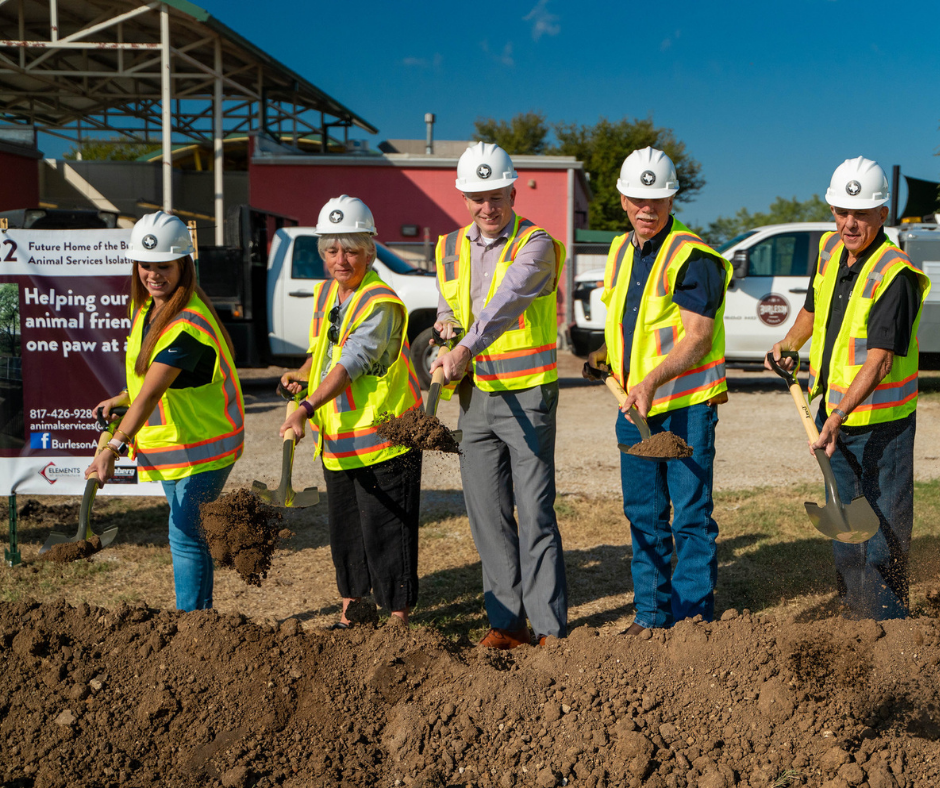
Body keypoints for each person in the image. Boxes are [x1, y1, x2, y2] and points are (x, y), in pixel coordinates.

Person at [767, 157, 929, 621]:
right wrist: (788, 344)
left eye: (860, 213)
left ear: (883, 214)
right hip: (834, 417)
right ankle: (854, 615)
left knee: (883, 532)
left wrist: (835, 417)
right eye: (840, 210)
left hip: (883, 426)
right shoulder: (829, 249)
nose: (849, 222)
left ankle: (888, 626)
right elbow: (814, 309)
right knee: (844, 529)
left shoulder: (895, 276)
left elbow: (879, 362)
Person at [585, 147, 731, 633]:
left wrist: (649, 380)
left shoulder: (695, 257)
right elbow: (629, 321)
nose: (647, 208)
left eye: (658, 199)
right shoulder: (618, 248)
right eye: (638, 199)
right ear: (623, 199)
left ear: (672, 200)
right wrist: (607, 357)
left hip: (685, 407)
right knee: (644, 517)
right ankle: (649, 619)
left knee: (690, 518)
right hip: (634, 409)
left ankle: (691, 626)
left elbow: (698, 338)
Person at [432, 141, 567, 648]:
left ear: (514, 189)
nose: (488, 207)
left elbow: (506, 303)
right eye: (476, 197)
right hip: (475, 400)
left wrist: (465, 346)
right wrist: (447, 327)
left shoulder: (537, 244)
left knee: (534, 514)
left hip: (528, 395)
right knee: (488, 515)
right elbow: (452, 305)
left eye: (496, 196)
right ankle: (507, 625)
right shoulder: (446, 247)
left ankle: (550, 629)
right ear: (464, 197)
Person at [87, 211, 244, 611]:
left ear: (183, 266)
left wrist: (112, 446)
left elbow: (152, 393)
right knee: (188, 532)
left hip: (206, 447)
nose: (153, 274)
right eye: (145, 264)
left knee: (185, 534)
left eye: (164, 266)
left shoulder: (187, 324)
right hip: (178, 444)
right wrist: (122, 397)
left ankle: (192, 623)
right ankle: (197, 622)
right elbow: (149, 382)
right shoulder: (148, 311)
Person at [280, 196, 422, 628]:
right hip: (341, 441)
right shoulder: (329, 293)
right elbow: (325, 354)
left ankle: (396, 621)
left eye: (351, 250)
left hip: (386, 439)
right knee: (346, 531)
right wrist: (302, 374)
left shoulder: (379, 301)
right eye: (331, 250)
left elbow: (351, 363)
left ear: (370, 251)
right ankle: (353, 614)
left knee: (386, 532)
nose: (340, 260)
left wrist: (306, 406)